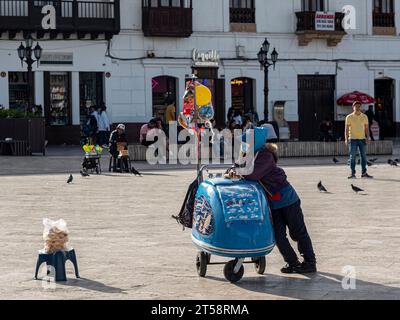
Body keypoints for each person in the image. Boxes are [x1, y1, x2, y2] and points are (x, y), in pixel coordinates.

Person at [236, 127, 317, 274]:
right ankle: (292, 262)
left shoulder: (265, 155)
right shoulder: (253, 155)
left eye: (248, 142)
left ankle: (310, 262)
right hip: (274, 202)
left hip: (287, 199)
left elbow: (252, 174)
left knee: (298, 232)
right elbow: (241, 168)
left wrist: (238, 170)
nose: (245, 145)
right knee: (278, 235)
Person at [345, 101, 373, 179]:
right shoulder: (349, 117)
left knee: (363, 156)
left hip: (362, 139)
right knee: (352, 157)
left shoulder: (364, 117)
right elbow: (346, 129)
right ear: (353, 107)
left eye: (358, 106)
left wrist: (368, 138)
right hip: (352, 139)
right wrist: (346, 139)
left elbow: (367, 128)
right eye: (355, 106)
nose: (357, 108)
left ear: (360, 107)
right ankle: (352, 173)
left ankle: (364, 173)